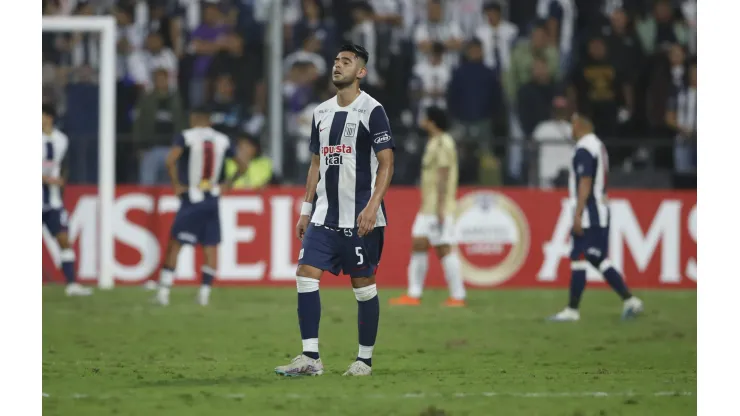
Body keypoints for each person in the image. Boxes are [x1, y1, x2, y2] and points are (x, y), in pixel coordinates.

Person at [274, 44, 395, 377]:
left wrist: (372, 207)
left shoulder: (373, 110)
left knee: (364, 287)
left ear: (361, 72)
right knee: (305, 276)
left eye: (347, 61)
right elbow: (316, 162)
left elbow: (387, 164)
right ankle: (310, 357)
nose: (338, 65)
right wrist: (305, 209)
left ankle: (364, 361)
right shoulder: (320, 112)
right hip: (324, 217)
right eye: (336, 60)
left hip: (360, 217)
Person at [548, 113, 643, 322]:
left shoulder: (584, 148)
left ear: (580, 125)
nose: (571, 130)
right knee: (583, 256)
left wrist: (579, 213)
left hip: (591, 211)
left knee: (590, 256)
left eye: (572, 125)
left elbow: (585, 181)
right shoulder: (598, 145)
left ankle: (627, 300)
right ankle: (575, 309)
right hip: (597, 208)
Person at [154, 106, 247, 307]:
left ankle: (163, 293)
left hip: (192, 197)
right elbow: (242, 165)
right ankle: (204, 294)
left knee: (175, 244)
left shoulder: (186, 136)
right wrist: (228, 184)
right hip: (212, 197)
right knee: (210, 247)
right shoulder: (222, 140)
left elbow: (170, 161)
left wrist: (176, 185)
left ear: (195, 118)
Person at [389, 107, 465, 307]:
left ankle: (458, 296)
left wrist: (441, 207)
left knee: (444, 248)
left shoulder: (443, 142)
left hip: (437, 207)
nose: (422, 121)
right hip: (428, 207)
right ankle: (414, 294)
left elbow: (443, 174)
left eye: (425, 118)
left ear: (432, 121)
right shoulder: (434, 142)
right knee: (419, 243)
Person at [42, 105, 93, 297]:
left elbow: (64, 164)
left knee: (64, 240)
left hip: (53, 200)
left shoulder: (62, 140)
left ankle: (72, 284)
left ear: (49, 118)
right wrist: (45, 179)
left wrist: (63, 178)